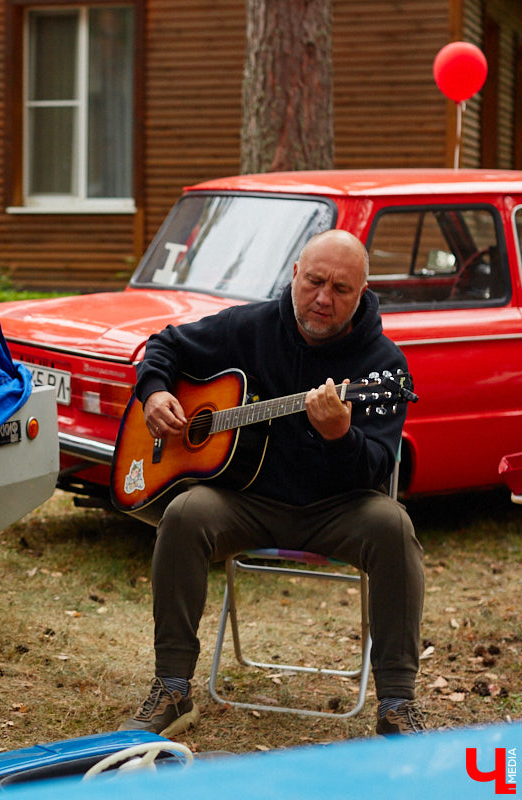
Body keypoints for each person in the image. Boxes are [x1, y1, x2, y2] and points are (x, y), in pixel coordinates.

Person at [121, 229, 426, 736]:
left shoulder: (383, 367)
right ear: (294, 275)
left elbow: (374, 470)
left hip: (338, 507)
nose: (324, 298)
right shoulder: (252, 326)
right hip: (247, 500)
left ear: (364, 292)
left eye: (342, 289)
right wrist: (153, 393)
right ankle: (172, 688)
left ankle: (397, 704)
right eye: (315, 281)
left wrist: (341, 436)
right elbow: (165, 346)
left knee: (394, 527)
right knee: (183, 515)